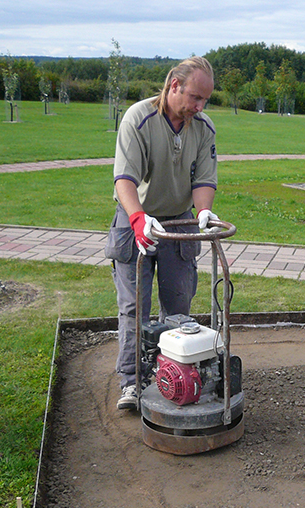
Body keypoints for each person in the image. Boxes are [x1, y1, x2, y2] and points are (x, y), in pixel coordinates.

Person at [106, 57, 220, 411]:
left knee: (178, 307)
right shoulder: (138, 120)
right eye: (195, 97)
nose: (199, 106)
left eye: (205, 100)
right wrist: (139, 219)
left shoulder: (203, 127)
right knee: (133, 309)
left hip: (179, 223)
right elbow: (124, 178)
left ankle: (173, 375)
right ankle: (132, 381)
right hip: (135, 219)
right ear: (174, 86)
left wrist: (202, 211)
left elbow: (203, 178)